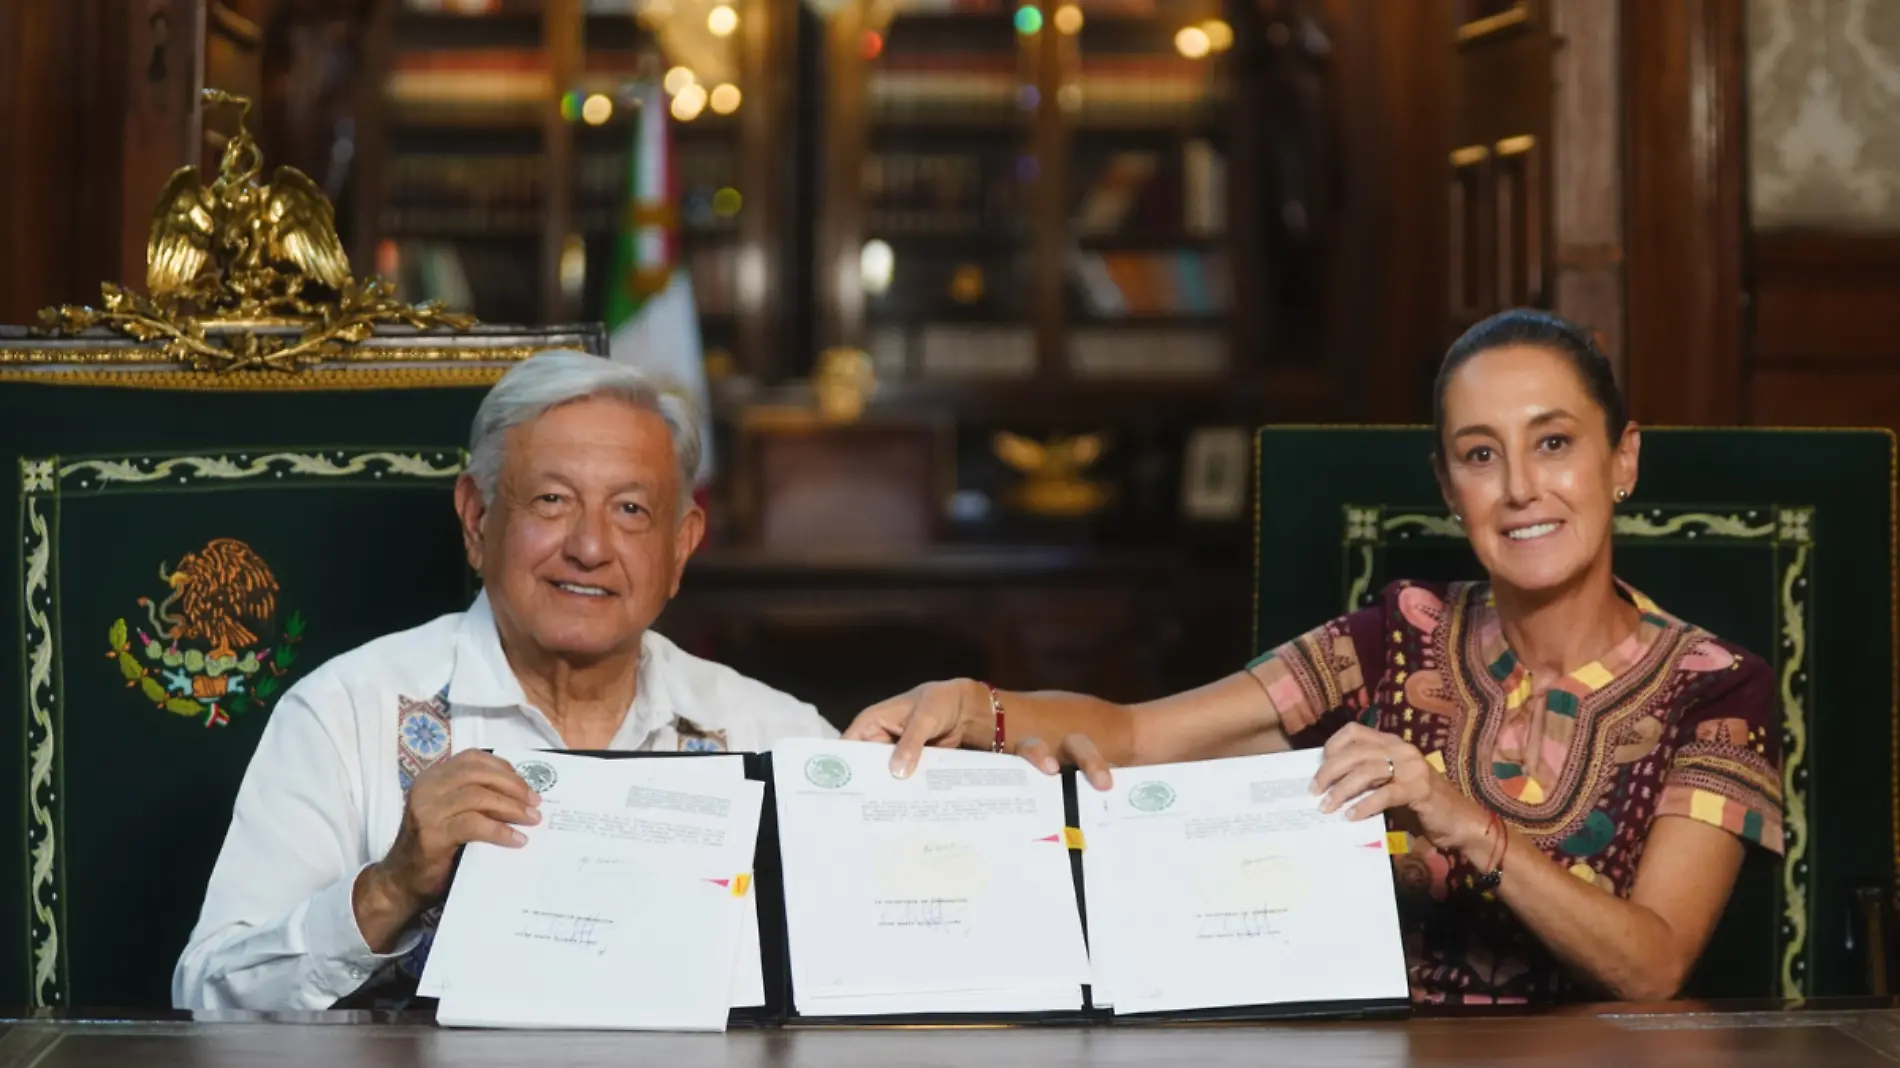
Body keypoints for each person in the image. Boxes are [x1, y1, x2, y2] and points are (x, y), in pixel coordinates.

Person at [846, 309, 1782, 1005]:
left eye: (1554, 443)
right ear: (1447, 486)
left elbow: (1654, 965)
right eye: (1480, 455)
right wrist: (972, 705)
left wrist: (1453, 817)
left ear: (1622, 459)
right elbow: (1136, 735)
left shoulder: (1718, 690)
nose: (1523, 488)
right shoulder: (1395, 637)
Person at [174, 351, 838, 1011]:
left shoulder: (774, 735)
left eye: (631, 509)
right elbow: (207, 995)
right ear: (477, 518)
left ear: (680, 547)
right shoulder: (348, 713)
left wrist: (934, 777)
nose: (590, 547)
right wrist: (389, 889)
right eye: (552, 500)